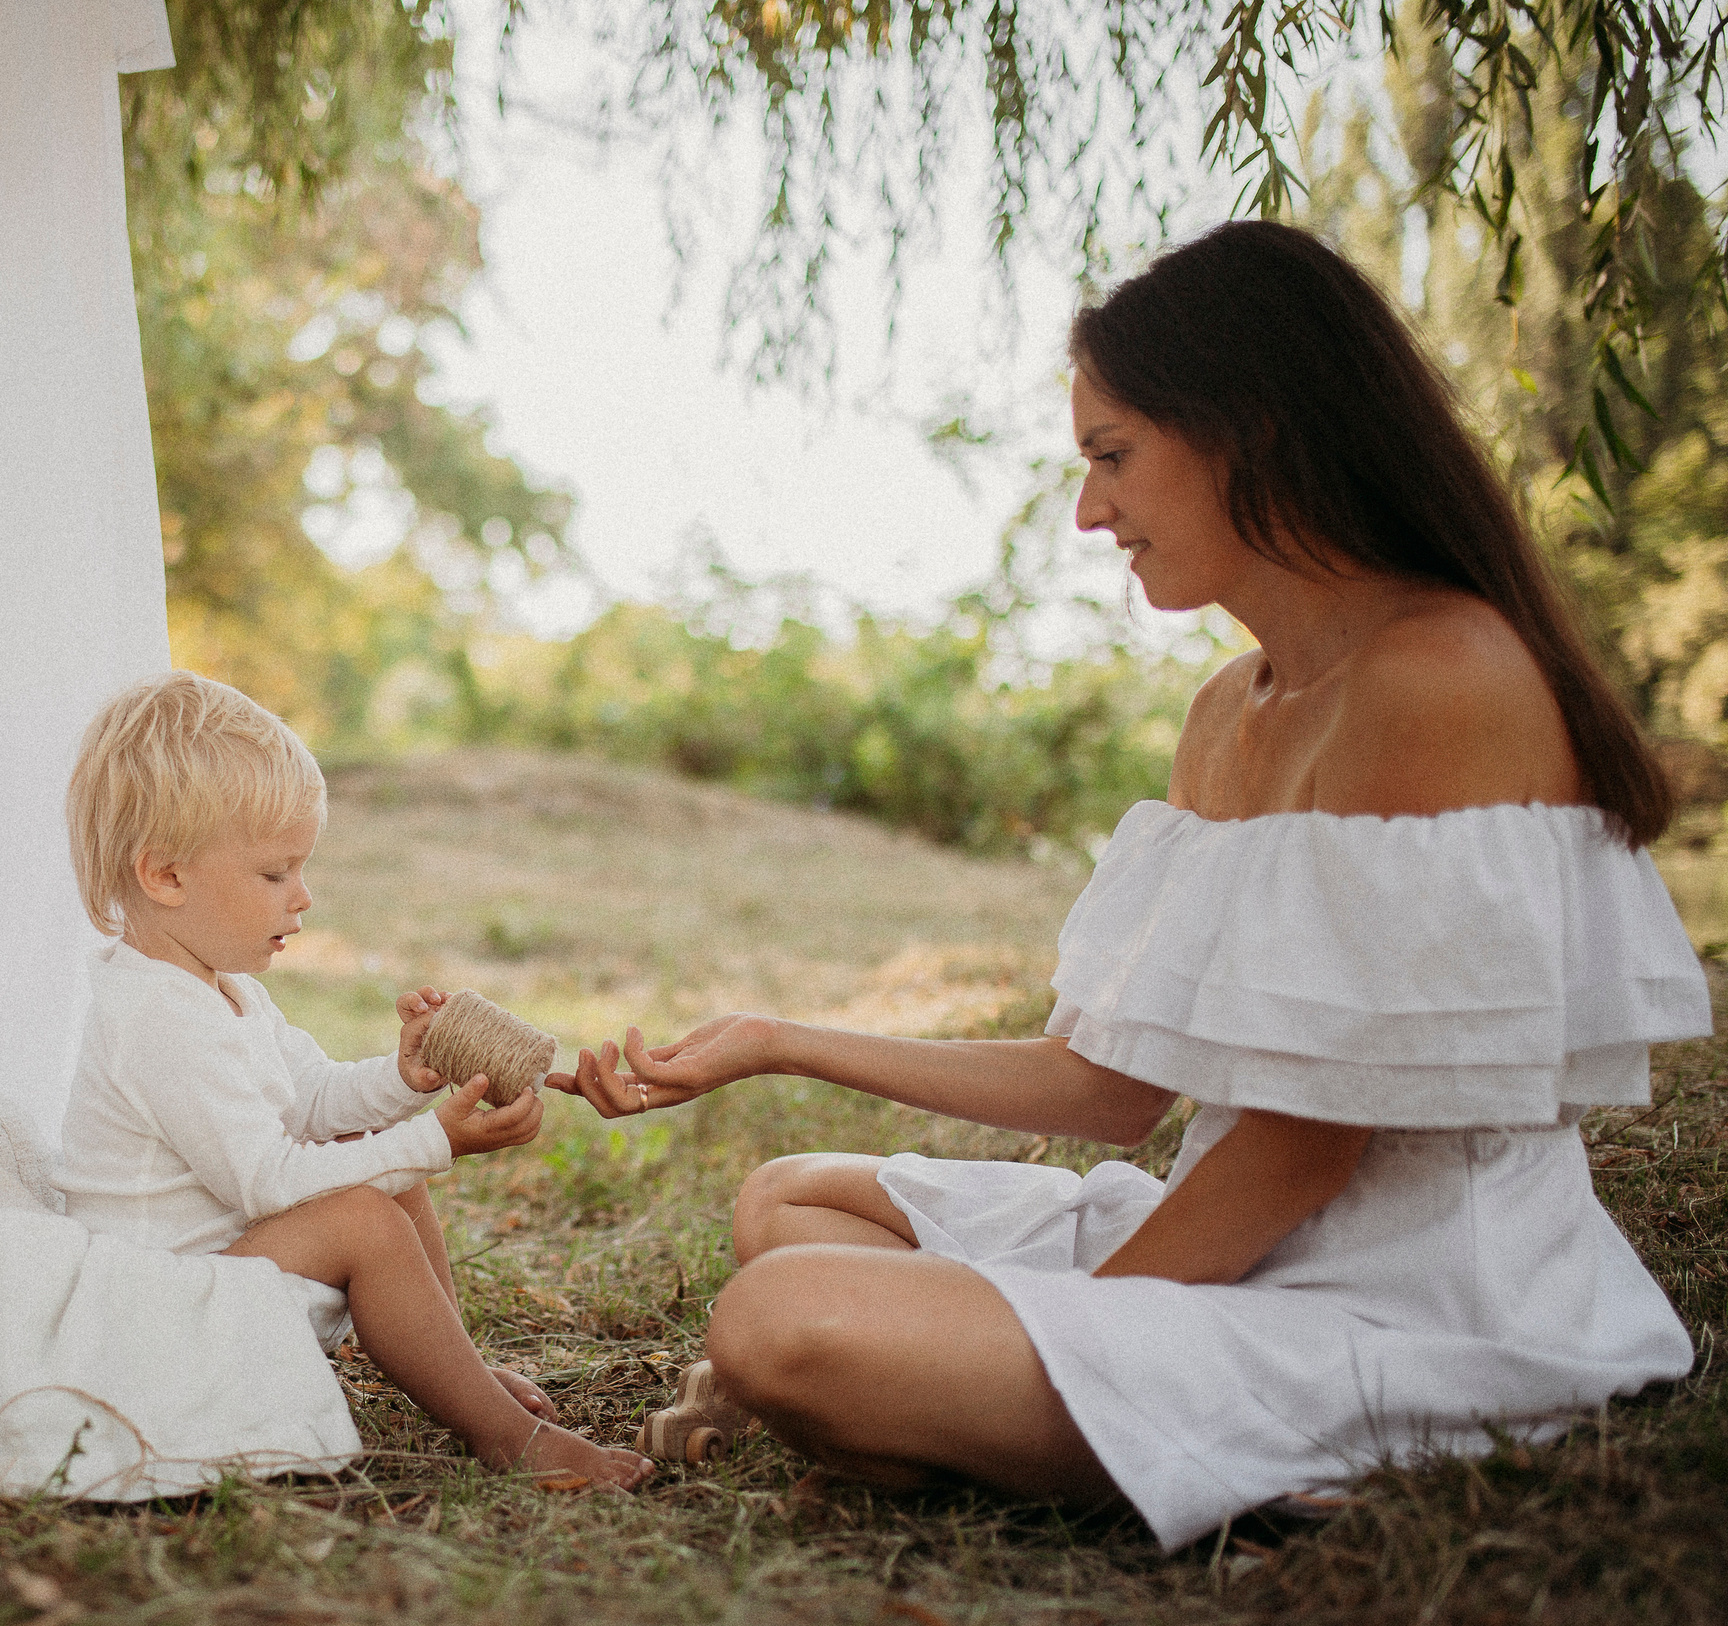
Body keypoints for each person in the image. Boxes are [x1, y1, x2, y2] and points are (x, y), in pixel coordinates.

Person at [552, 220, 1708, 1547]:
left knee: (779, 1319)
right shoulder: (1230, 710)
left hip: (1417, 1302)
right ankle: (978, 1416)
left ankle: (1066, 1430)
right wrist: (773, 1041)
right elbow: (1109, 1086)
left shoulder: (1440, 677)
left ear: (1250, 431)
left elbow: (1305, 1146)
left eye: (1112, 457)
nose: (1090, 512)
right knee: (790, 1201)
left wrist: (1079, 1325)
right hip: (1242, 1249)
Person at [59, 670, 653, 1489]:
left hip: (211, 1276)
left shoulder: (223, 990)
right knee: (365, 1215)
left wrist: (405, 1079)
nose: (303, 896)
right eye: (276, 873)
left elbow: (312, 1099)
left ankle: (455, 1365)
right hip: (156, 1320)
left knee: (379, 1153)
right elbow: (267, 1180)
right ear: (165, 876)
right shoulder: (157, 1020)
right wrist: (434, 1139)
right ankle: (505, 1434)